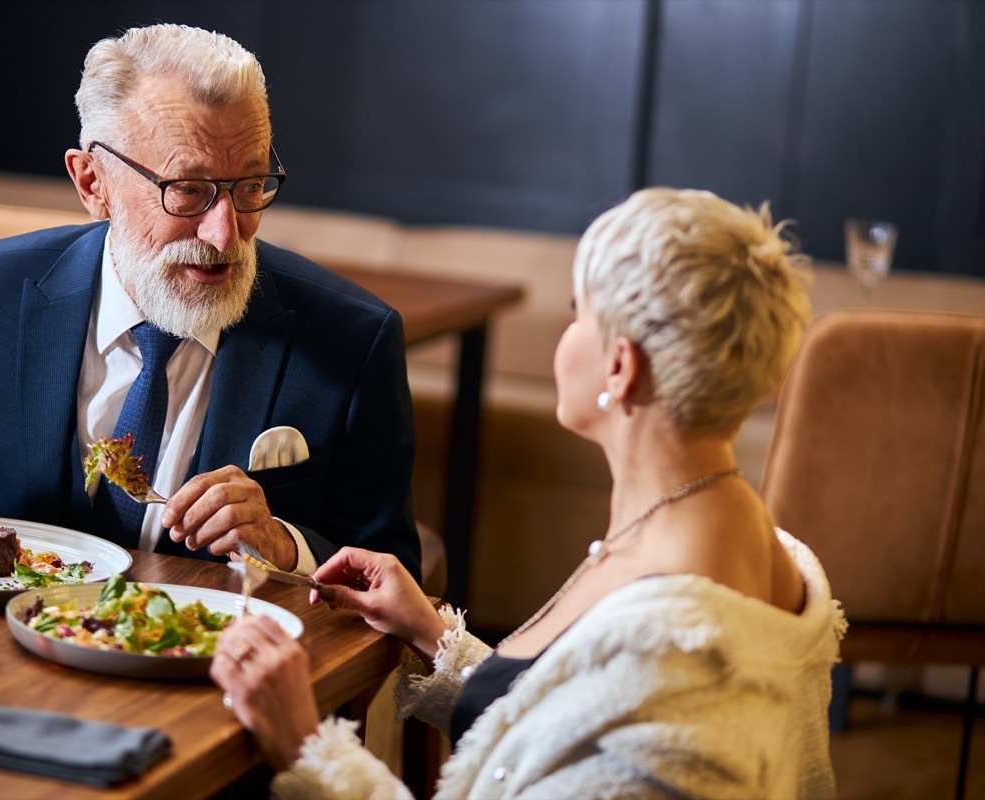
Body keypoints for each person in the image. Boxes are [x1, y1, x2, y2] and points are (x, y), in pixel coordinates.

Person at [210, 187, 846, 798]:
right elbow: (578, 734)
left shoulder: (675, 646)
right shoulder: (743, 538)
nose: (566, 336)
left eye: (578, 313)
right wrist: (434, 637)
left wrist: (306, 749)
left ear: (620, 368)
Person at [0, 24, 421, 581]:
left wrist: (285, 549)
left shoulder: (350, 341)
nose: (227, 233)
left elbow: (393, 576)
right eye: (188, 190)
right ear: (92, 183)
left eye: (251, 185)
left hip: (211, 683)